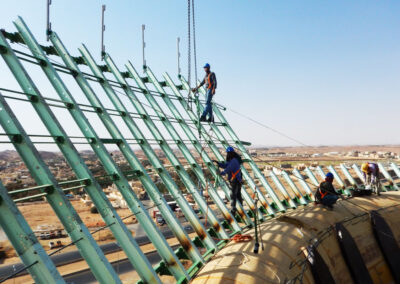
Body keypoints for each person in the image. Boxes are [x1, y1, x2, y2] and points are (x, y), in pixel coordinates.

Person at [214, 146, 243, 215]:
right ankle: (240, 208)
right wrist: (219, 164)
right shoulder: (232, 160)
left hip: (235, 180)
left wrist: (221, 173)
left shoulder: (233, 161)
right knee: (238, 194)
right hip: (237, 179)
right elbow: (226, 165)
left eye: (229, 153)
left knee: (233, 195)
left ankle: (233, 210)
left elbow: (228, 169)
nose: (228, 154)